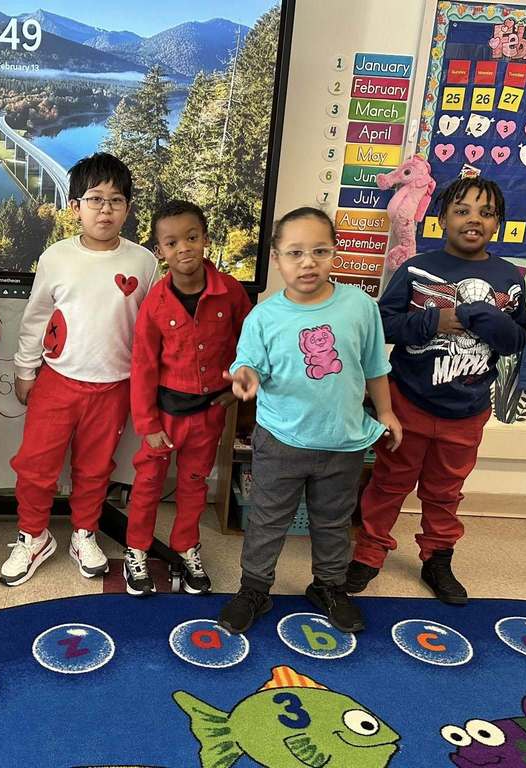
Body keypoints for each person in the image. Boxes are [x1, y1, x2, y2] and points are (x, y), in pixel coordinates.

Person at [347, 177, 526, 605]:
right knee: (389, 483)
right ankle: (369, 553)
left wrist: (490, 319)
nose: (474, 220)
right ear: (443, 218)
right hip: (407, 402)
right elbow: (382, 325)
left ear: (498, 224)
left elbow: (518, 340)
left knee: (445, 490)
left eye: (486, 213)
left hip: (466, 410)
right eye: (462, 210)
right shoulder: (417, 268)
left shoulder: (509, 278)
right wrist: (435, 321)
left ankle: (438, 557)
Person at [217, 207, 402, 634]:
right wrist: (245, 376)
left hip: (344, 441)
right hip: (282, 439)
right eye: (295, 252)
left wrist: (387, 411)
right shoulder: (263, 316)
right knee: (266, 519)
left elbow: (375, 365)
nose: (308, 262)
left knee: (334, 520)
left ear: (334, 254)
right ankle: (254, 589)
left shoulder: (359, 306)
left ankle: (329, 586)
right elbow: (249, 363)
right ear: (277, 258)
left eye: (320, 251)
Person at [0, 153, 158, 586]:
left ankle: (84, 531)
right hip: (57, 381)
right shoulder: (57, 257)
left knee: (94, 468)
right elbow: (35, 317)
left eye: (115, 200)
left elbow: (151, 328)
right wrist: (25, 368)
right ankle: (33, 535)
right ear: (75, 207)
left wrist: (150, 384)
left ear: (128, 207)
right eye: (94, 199)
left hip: (114, 386)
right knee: (35, 465)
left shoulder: (144, 263)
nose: (105, 209)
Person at [124, 200, 251, 596]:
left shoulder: (229, 291)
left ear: (206, 239)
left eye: (192, 237)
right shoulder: (155, 304)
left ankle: (186, 547)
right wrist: (148, 426)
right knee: (147, 483)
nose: (184, 248)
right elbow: (143, 365)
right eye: (172, 242)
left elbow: (252, 342)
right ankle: (137, 550)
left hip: (209, 414)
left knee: (194, 484)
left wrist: (235, 390)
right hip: (164, 415)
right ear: (160, 250)